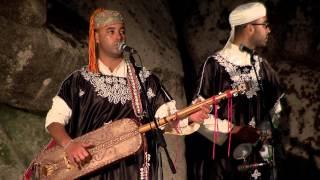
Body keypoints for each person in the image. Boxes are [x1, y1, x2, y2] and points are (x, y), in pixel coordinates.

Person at [30, 8, 210, 180]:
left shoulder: (145, 79)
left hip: (135, 168)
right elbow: (54, 121)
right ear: (96, 37)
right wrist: (69, 145)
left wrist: (191, 117)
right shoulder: (78, 81)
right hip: (89, 169)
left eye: (121, 31)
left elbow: (166, 120)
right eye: (111, 31)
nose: (119, 36)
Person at [185, 2, 285, 180]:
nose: (269, 31)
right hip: (223, 165)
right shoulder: (214, 65)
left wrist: (263, 133)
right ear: (249, 28)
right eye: (265, 25)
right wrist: (235, 130)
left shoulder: (263, 68)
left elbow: (277, 108)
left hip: (257, 162)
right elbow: (195, 115)